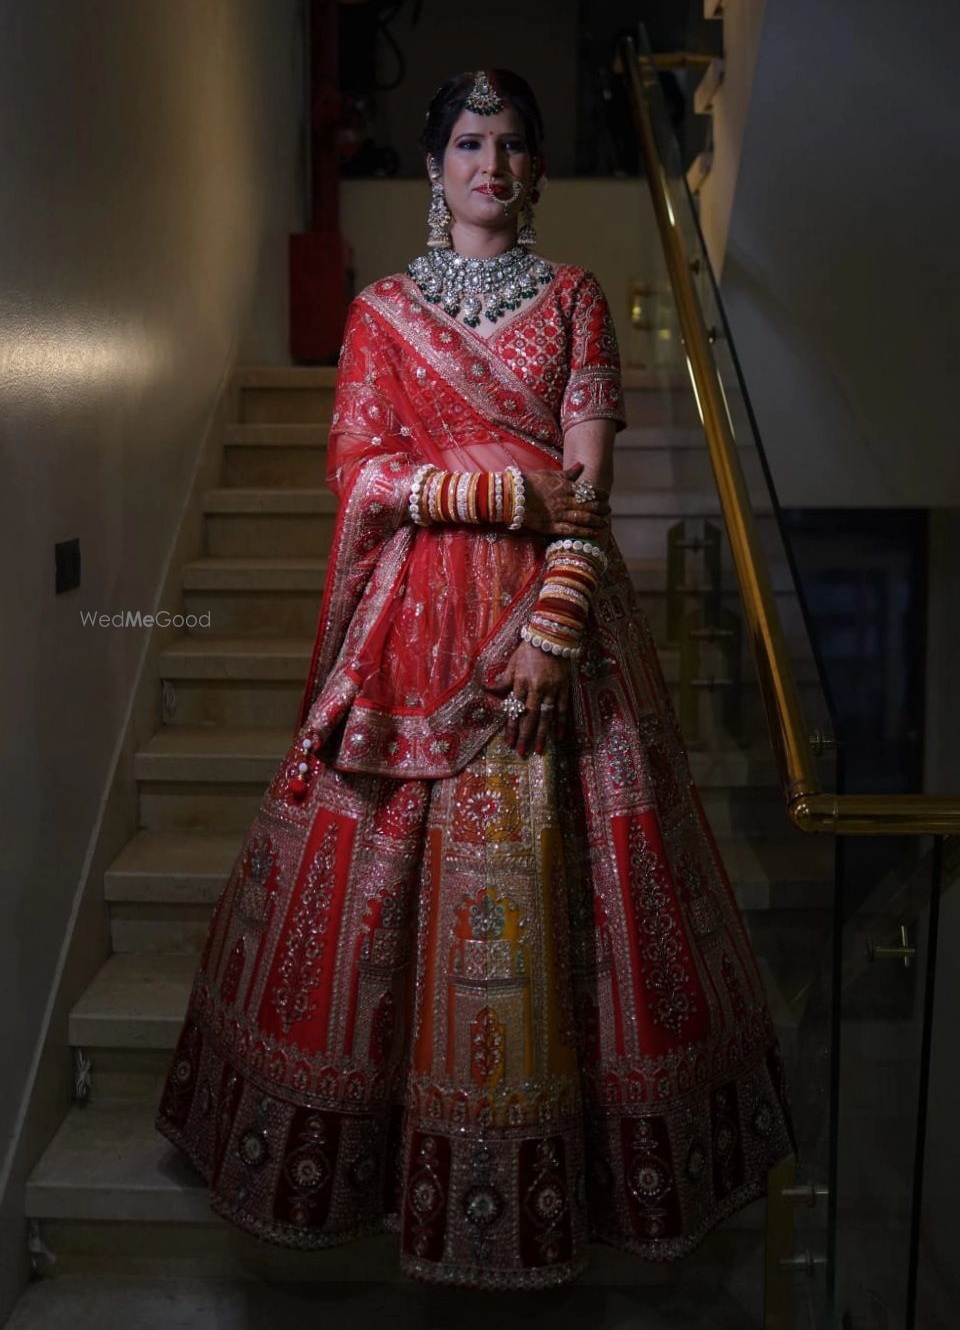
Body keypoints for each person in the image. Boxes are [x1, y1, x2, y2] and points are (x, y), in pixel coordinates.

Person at [156, 68, 795, 1290]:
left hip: (553, 620)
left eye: (507, 145)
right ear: (432, 168)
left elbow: (587, 483)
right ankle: (362, 1169)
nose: (487, 165)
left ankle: (575, 1173)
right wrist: (494, 489)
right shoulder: (380, 314)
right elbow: (356, 472)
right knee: (374, 889)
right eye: (465, 143)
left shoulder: (575, 299)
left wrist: (556, 623)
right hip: (411, 628)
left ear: (535, 169)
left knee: (571, 878)